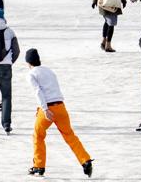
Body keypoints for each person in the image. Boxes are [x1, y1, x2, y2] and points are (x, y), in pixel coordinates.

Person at [25, 49, 94, 177]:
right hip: (61, 106)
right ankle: (85, 160)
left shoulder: (31, 74)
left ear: (28, 62)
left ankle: (38, 166)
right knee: (69, 135)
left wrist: (45, 109)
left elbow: (38, 92)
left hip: (48, 108)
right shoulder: (49, 71)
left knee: (38, 135)